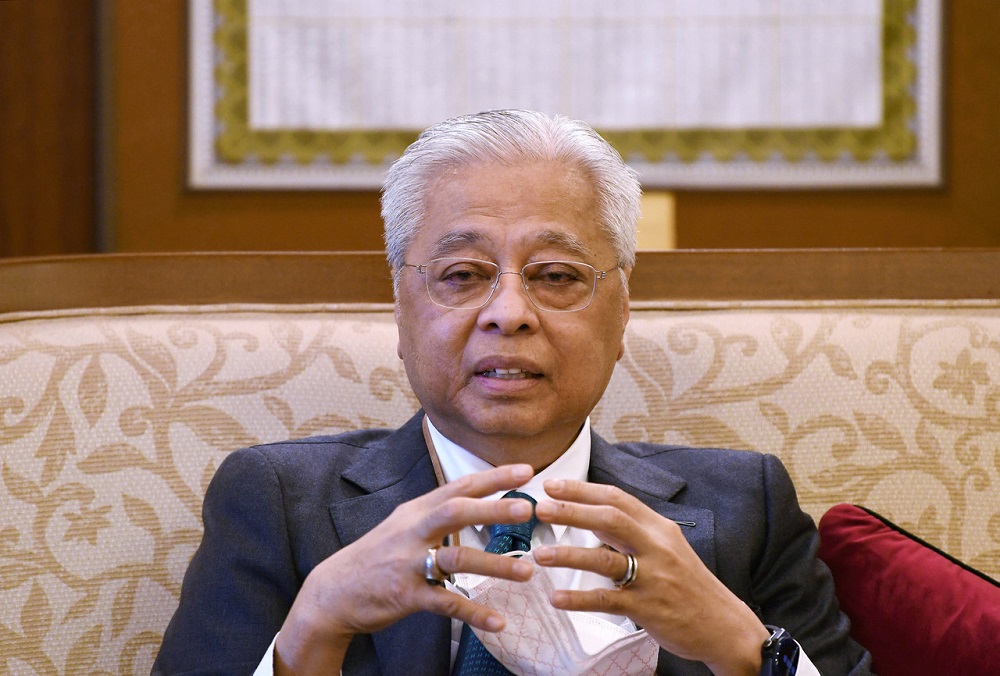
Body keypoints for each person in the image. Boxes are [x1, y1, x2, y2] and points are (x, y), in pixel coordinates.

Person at [154, 109, 871, 675]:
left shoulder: (748, 506)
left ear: (621, 314)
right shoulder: (280, 503)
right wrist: (313, 629)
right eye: (462, 275)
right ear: (402, 313)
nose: (509, 311)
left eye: (556, 276)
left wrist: (747, 651)